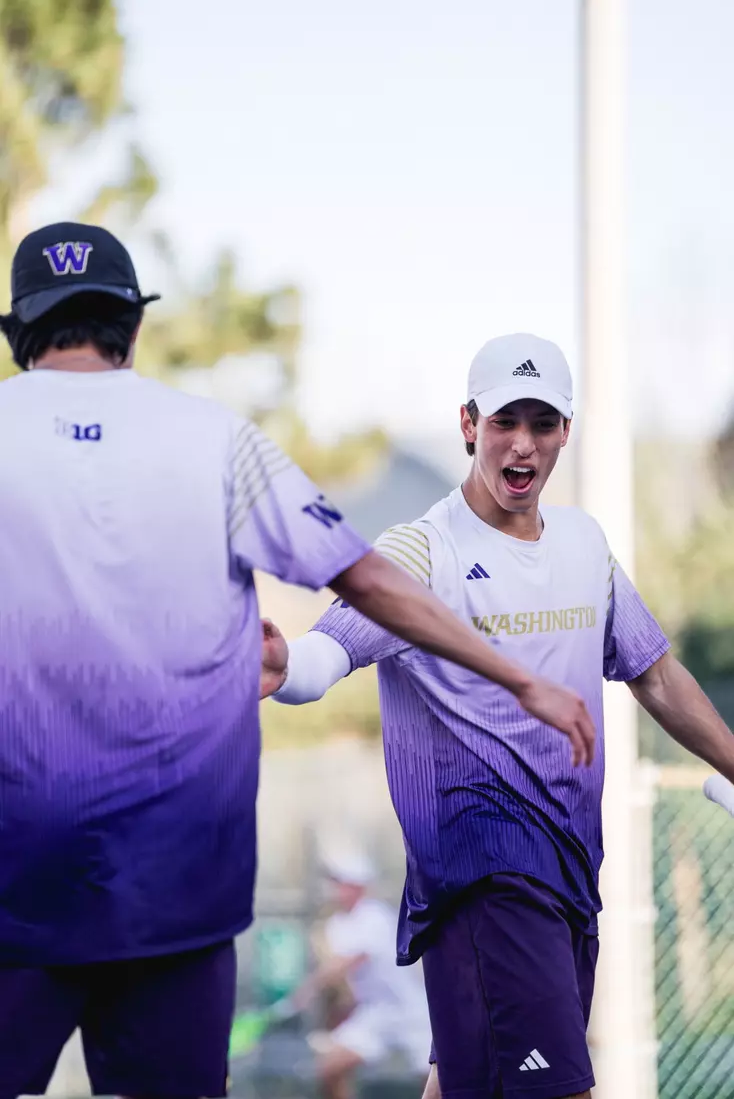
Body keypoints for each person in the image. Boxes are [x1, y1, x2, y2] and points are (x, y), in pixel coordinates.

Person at [0, 229, 593, 1099]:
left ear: (21, 335)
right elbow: (366, 578)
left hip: (17, 877)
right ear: (129, 326)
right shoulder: (215, 441)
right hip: (179, 890)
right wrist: (521, 677)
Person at [261, 333, 734, 1099]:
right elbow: (329, 650)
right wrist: (289, 668)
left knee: (466, 1085)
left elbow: (656, 673)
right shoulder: (423, 551)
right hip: (485, 876)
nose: (523, 443)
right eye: (505, 420)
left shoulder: (585, 545)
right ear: (468, 424)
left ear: (565, 432)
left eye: (542, 423)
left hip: (569, 875)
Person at [293, 850, 431, 1099]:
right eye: (334, 882)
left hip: (411, 1011)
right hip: (374, 1012)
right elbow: (345, 982)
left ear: (357, 886)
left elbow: (349, 963)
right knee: (329, 1068)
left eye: (341, 882)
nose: (335, 889)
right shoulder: (336, 926)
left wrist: (308, 989)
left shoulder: (375, 916)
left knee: (435, 1083)